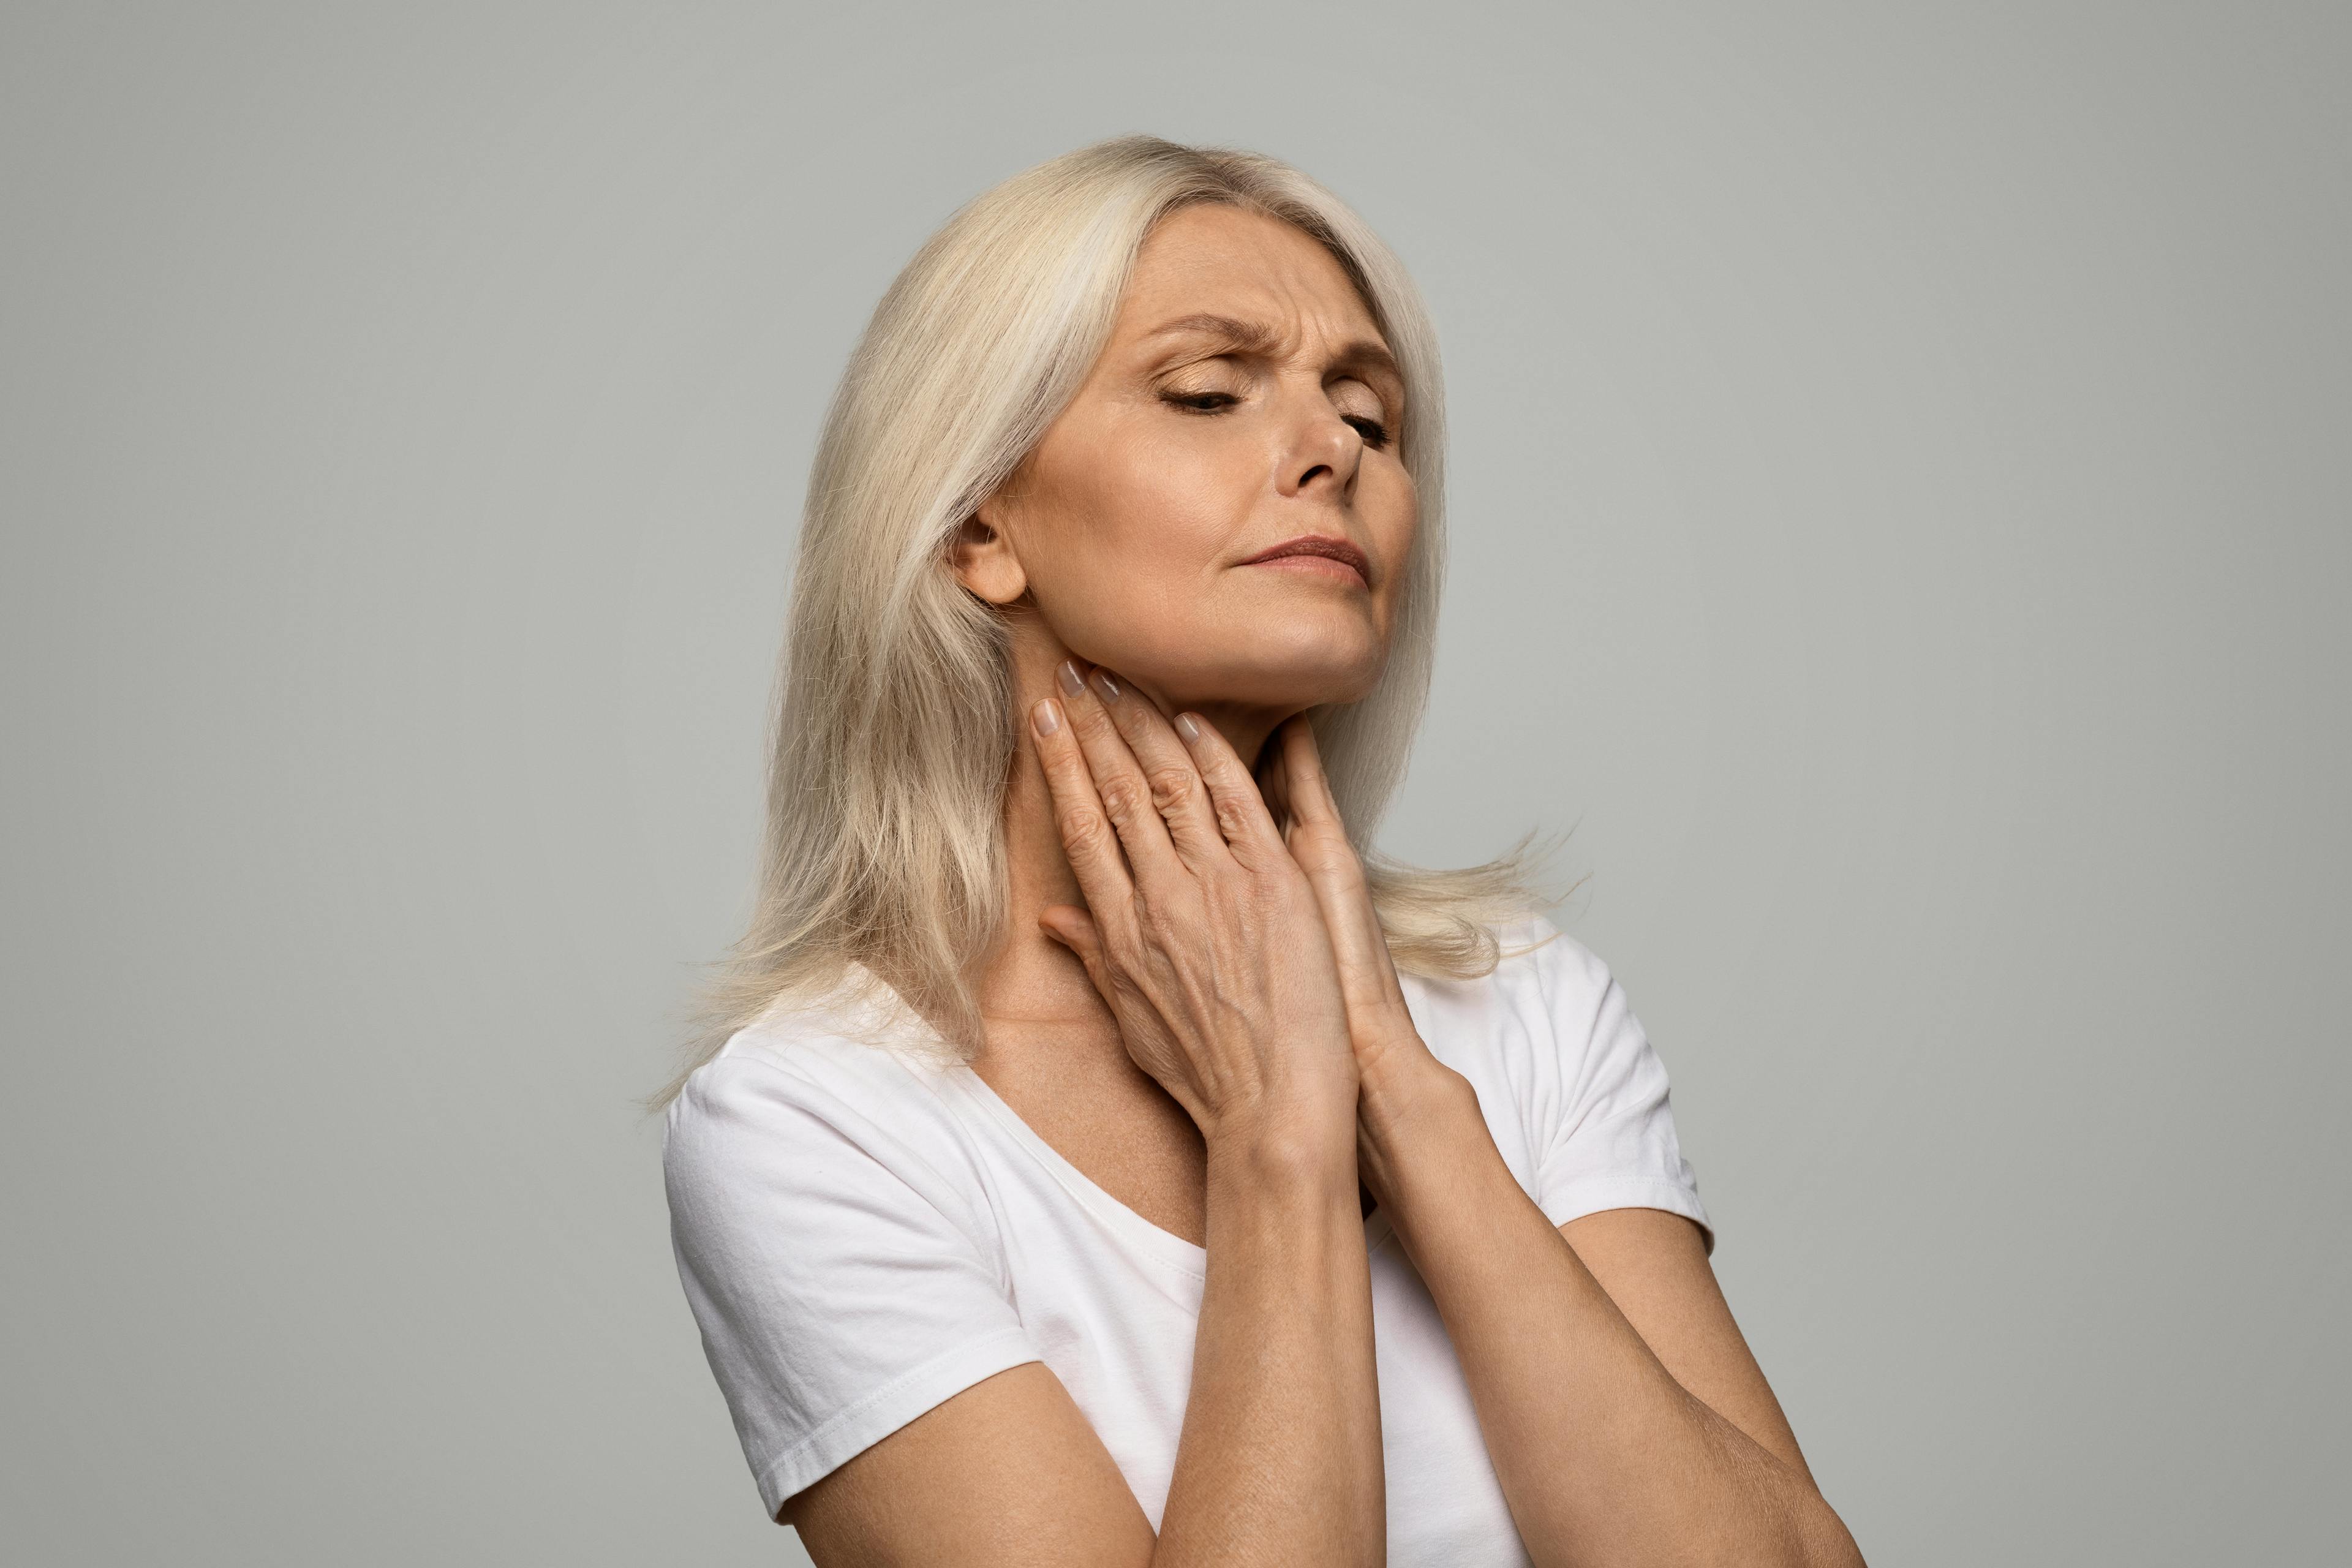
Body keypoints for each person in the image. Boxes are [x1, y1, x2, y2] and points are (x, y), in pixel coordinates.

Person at [655, 134, 1864, 1567]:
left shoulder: (1523, 1001)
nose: (1333, 447)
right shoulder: (817, 1120)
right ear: (980, 518)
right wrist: (1276, 1130)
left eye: (1371, 410)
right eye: (1209, 390)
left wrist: (1407, 1104)